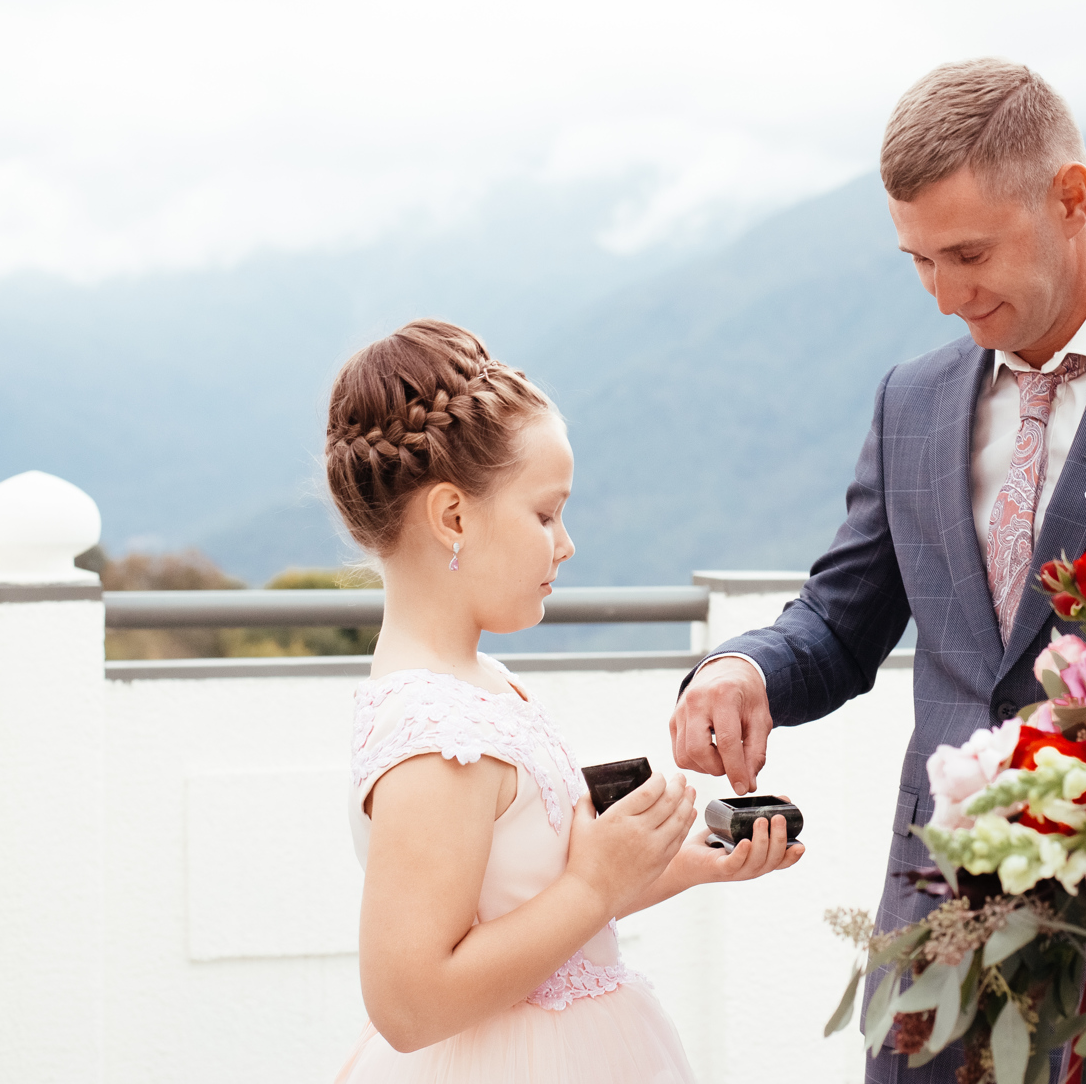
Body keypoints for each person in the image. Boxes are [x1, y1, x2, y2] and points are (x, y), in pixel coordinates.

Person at [666, 58, 1086, 1082]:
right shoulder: (911, 400)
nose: (946, 296)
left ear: (1070, 196)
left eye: (968, 254)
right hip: (931, 966)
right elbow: (842, 619)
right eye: (918, 261)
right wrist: (745, 668)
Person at [327, 320, 803, 1084]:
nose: (566, 542)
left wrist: (681, 862)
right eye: (545, 514)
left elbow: (533, 905)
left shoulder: (481, 681)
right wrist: (595, 884)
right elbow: (408, 1002)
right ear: (453, 518)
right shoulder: (435, 735)